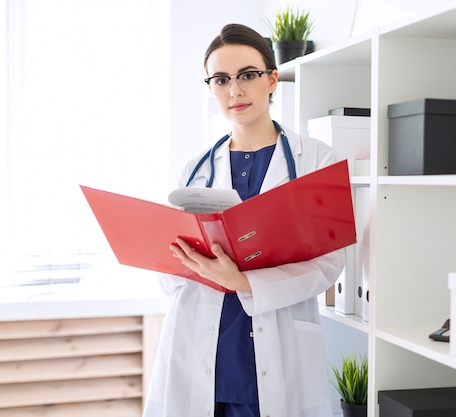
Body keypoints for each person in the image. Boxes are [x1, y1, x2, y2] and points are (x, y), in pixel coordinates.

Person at [144, 23, 344, 417]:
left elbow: (328, 265)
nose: (234, 91)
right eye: (221, 79)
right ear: (210, 89)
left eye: (247, 76)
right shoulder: (193, 170)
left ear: (272, 80)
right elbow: (170, 276)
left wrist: (243, 282)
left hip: (276, 357)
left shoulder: (317, 161)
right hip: (200, 355)